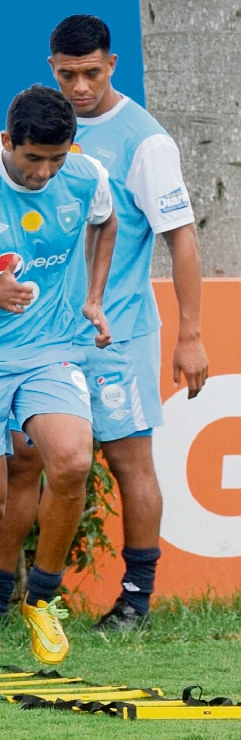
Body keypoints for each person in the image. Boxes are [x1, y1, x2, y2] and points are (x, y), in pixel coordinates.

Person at [0, 15, 208, 630]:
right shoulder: (40, 126)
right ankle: (17, 598)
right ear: (52, 70)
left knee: (127, 462)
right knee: (24, 466)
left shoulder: (144, 141)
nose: (81, 86)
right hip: (41, 336)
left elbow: (181, 239)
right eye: (69, 74)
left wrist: (190, 334)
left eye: (92, 72)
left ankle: (136, 599)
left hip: (117, 331)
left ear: (112, 65)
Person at [0, 85, 116, 664]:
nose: (45, 171)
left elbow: (106, 222)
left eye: (56, 158)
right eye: (32, 159)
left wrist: (94, 298)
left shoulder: (86, 176)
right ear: (6, 143)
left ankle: (40, 598)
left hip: (49, 347)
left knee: (70, 463)